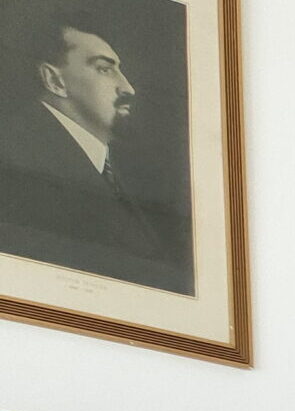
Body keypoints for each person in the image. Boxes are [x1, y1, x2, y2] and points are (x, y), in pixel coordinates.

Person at [0, 6, 182, 290]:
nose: (128, 88)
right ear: (55, 80)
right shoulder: (14, 160)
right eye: (104, 69)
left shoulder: (124, 171)